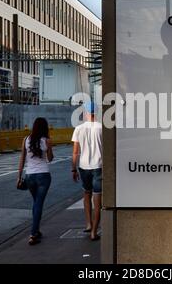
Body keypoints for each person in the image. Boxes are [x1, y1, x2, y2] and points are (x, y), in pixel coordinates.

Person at [18, 117, 54, 245]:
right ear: (45, 128)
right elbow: (50, 159)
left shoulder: (26, 140)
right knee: (39, 204)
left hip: (30, 176)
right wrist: (49, 148)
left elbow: (22, 159)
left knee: (36, 203)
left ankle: (37, 231)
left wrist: (19, 176)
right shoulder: (47, 141)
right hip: (43, 176)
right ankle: (33, 234)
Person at [71, 102, 102, 241]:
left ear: (85, 113)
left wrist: (73, 168)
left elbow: (75, 152)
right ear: (97, 112)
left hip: (83, 167)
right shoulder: (102, 128)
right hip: (98, 166)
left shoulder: (78, 128)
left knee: (86, 193)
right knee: (97, 199)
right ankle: (94, 232)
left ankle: (88, 224)